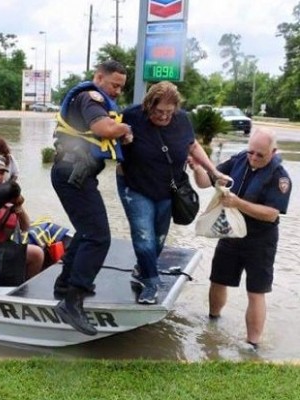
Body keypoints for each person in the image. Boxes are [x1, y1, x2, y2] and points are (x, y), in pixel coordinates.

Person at [117, 81, 230, 305]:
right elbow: (108, 136)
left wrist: (213, 170)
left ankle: (143, 268)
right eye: (159, 111)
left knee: (158, 238)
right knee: (144, 237)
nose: (164, 117)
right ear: (149, 106)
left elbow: (192, 145)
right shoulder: (131, 115)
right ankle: (150, 282)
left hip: (168, 188)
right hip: (135, 186)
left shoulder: (181, 119)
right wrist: (122, 141)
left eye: (169, 112)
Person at [50, 60, 133, 335]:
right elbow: (104, 130)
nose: (118, 91)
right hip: (72, 172)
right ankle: (72, 301)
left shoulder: (96, 99)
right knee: (98, 236)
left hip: (75, 173)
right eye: (114, 85)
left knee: (87, 232)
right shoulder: (91, 98)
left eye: (121, 86)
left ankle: (65, 284)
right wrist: (125, 129)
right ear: (99, 77)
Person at [192, 128, 291, 350]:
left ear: (273, 152)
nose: (254, 158)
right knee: (217, 279)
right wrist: (198, 168)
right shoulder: (238, 161)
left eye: (260, 155)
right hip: (231, 233)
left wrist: (239, 204)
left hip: (261, 240)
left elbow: (271, 213)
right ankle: (213, 321)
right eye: (251, 152)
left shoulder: (280, 177)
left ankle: (252, 345)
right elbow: (206, 182)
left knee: (256, 291)